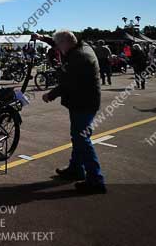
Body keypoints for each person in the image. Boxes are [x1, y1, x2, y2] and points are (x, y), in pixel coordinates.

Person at [42, 30, 106, 194]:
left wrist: (50, 95)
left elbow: (68, 83)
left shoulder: (79, 58)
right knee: (78, 137)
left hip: (83, 102)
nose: (57, 49)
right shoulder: (79, 46)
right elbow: (59, 42)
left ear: (65, 44)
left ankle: (96, 180)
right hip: (82, 101)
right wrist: (41, 38)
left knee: (82, 139)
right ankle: (76, 169)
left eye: (58, 46)